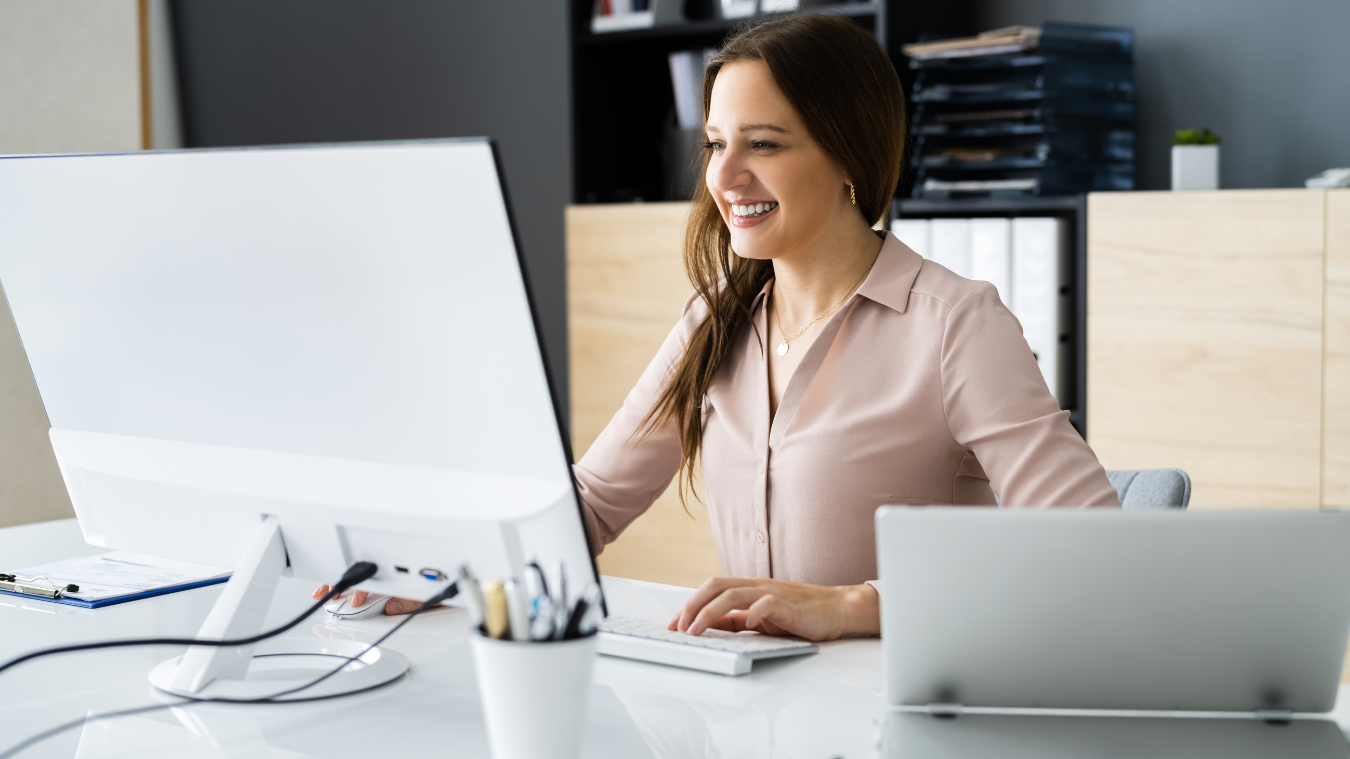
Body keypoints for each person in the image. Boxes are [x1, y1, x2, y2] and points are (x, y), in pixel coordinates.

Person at [316, 14, 1120, 637]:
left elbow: (1091, 552)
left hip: (901, 706)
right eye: (715, 143)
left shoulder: (953, 324)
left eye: (763, 145)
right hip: (755, 710)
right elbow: (591, 501)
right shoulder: (717, 318)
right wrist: (426, 569)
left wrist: (853, 604)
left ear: (850, 157)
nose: (725, 178)